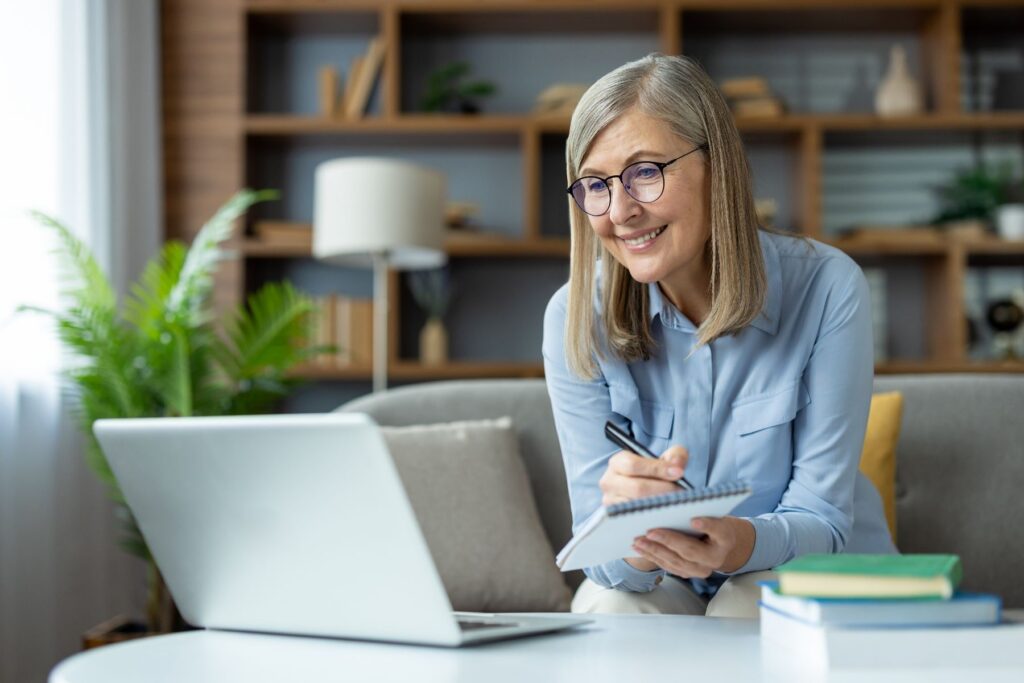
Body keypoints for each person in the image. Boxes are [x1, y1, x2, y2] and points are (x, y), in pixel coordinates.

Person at [542, 54, 897, 618]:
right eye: (595, 185)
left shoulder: (828, 287)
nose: (622, 211)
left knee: (743, 601)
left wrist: (740, 543)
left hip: (801, 569)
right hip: (673, 582)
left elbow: (822, 518)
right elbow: (600, 558)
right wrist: (628, 537)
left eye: (645, 172)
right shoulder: (574, 317)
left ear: (718, 165)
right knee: (610, 608)